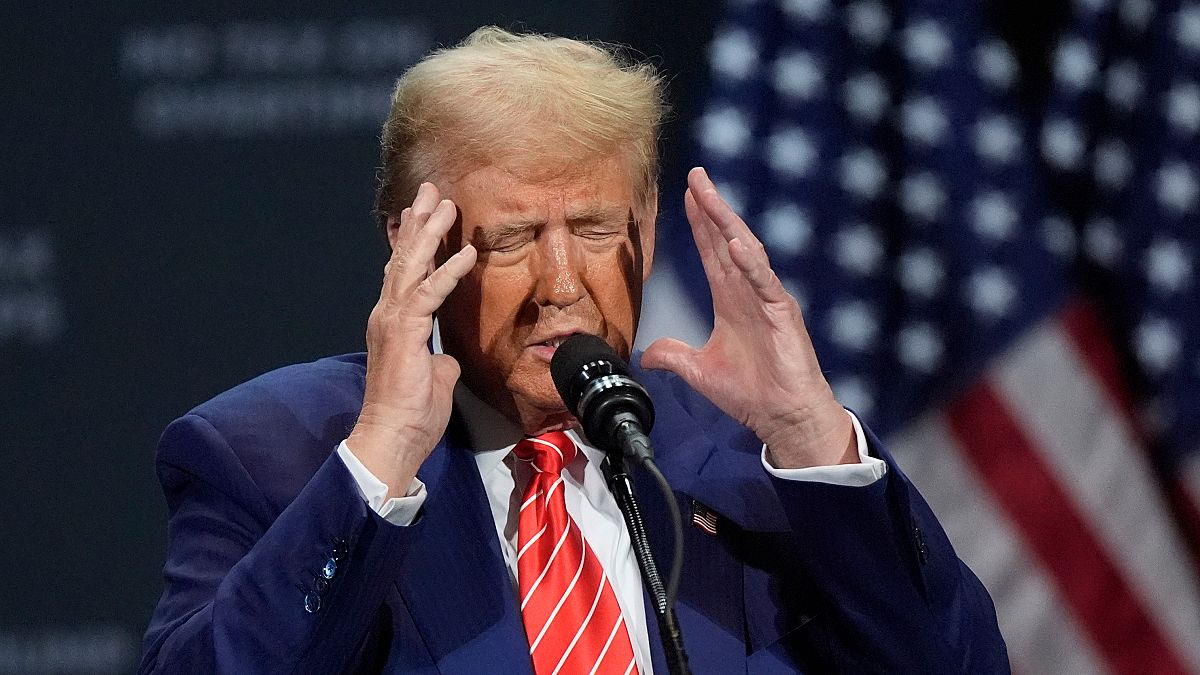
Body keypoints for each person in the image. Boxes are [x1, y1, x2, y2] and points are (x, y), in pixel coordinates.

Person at [139, 27, 1007, 674]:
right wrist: (378, 464)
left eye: (596, 228)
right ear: (415, 242)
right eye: (514, 238)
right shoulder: (271, 457)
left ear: (650, 222)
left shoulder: (758, 459)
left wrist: (813, 436)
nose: (564, 283)